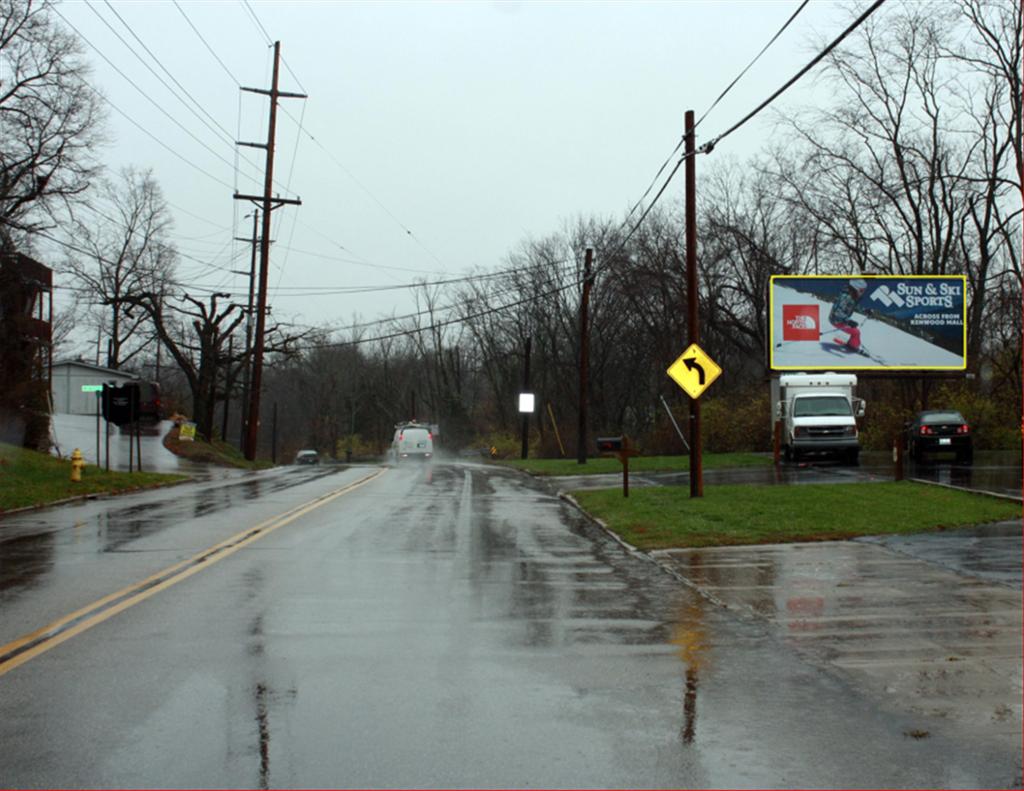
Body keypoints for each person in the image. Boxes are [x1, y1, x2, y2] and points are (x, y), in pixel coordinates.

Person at [828, 278, 868, 351]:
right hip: (836, 320)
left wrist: (866, 311)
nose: (862, 293)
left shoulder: (852, 297)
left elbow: (855, 306)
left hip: (840, 319)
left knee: (855, 331)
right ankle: (853, 346)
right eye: (861, 290)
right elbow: (838, 312)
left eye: (863, 291)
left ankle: (852, 343)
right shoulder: (846, 297)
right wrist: (848, 321)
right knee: (856, 332)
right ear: (856, 288)